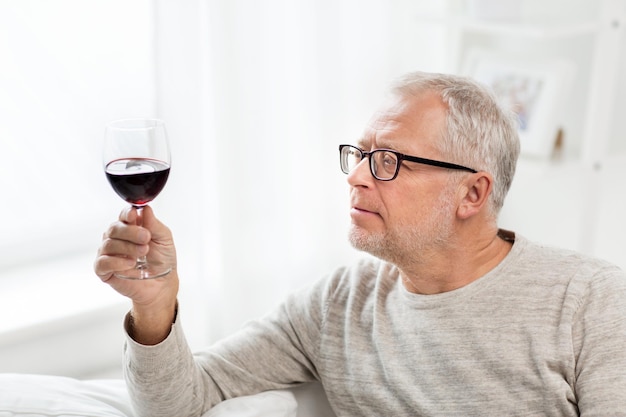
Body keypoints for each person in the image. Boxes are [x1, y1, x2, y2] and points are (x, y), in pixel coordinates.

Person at [94, 71, 626, 416]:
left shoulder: (592, 302)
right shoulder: (337, 306)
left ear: (471, 193)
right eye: (361, 154)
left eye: (389, 161)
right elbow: (179, 404)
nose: (357, 178)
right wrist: (155, 306)